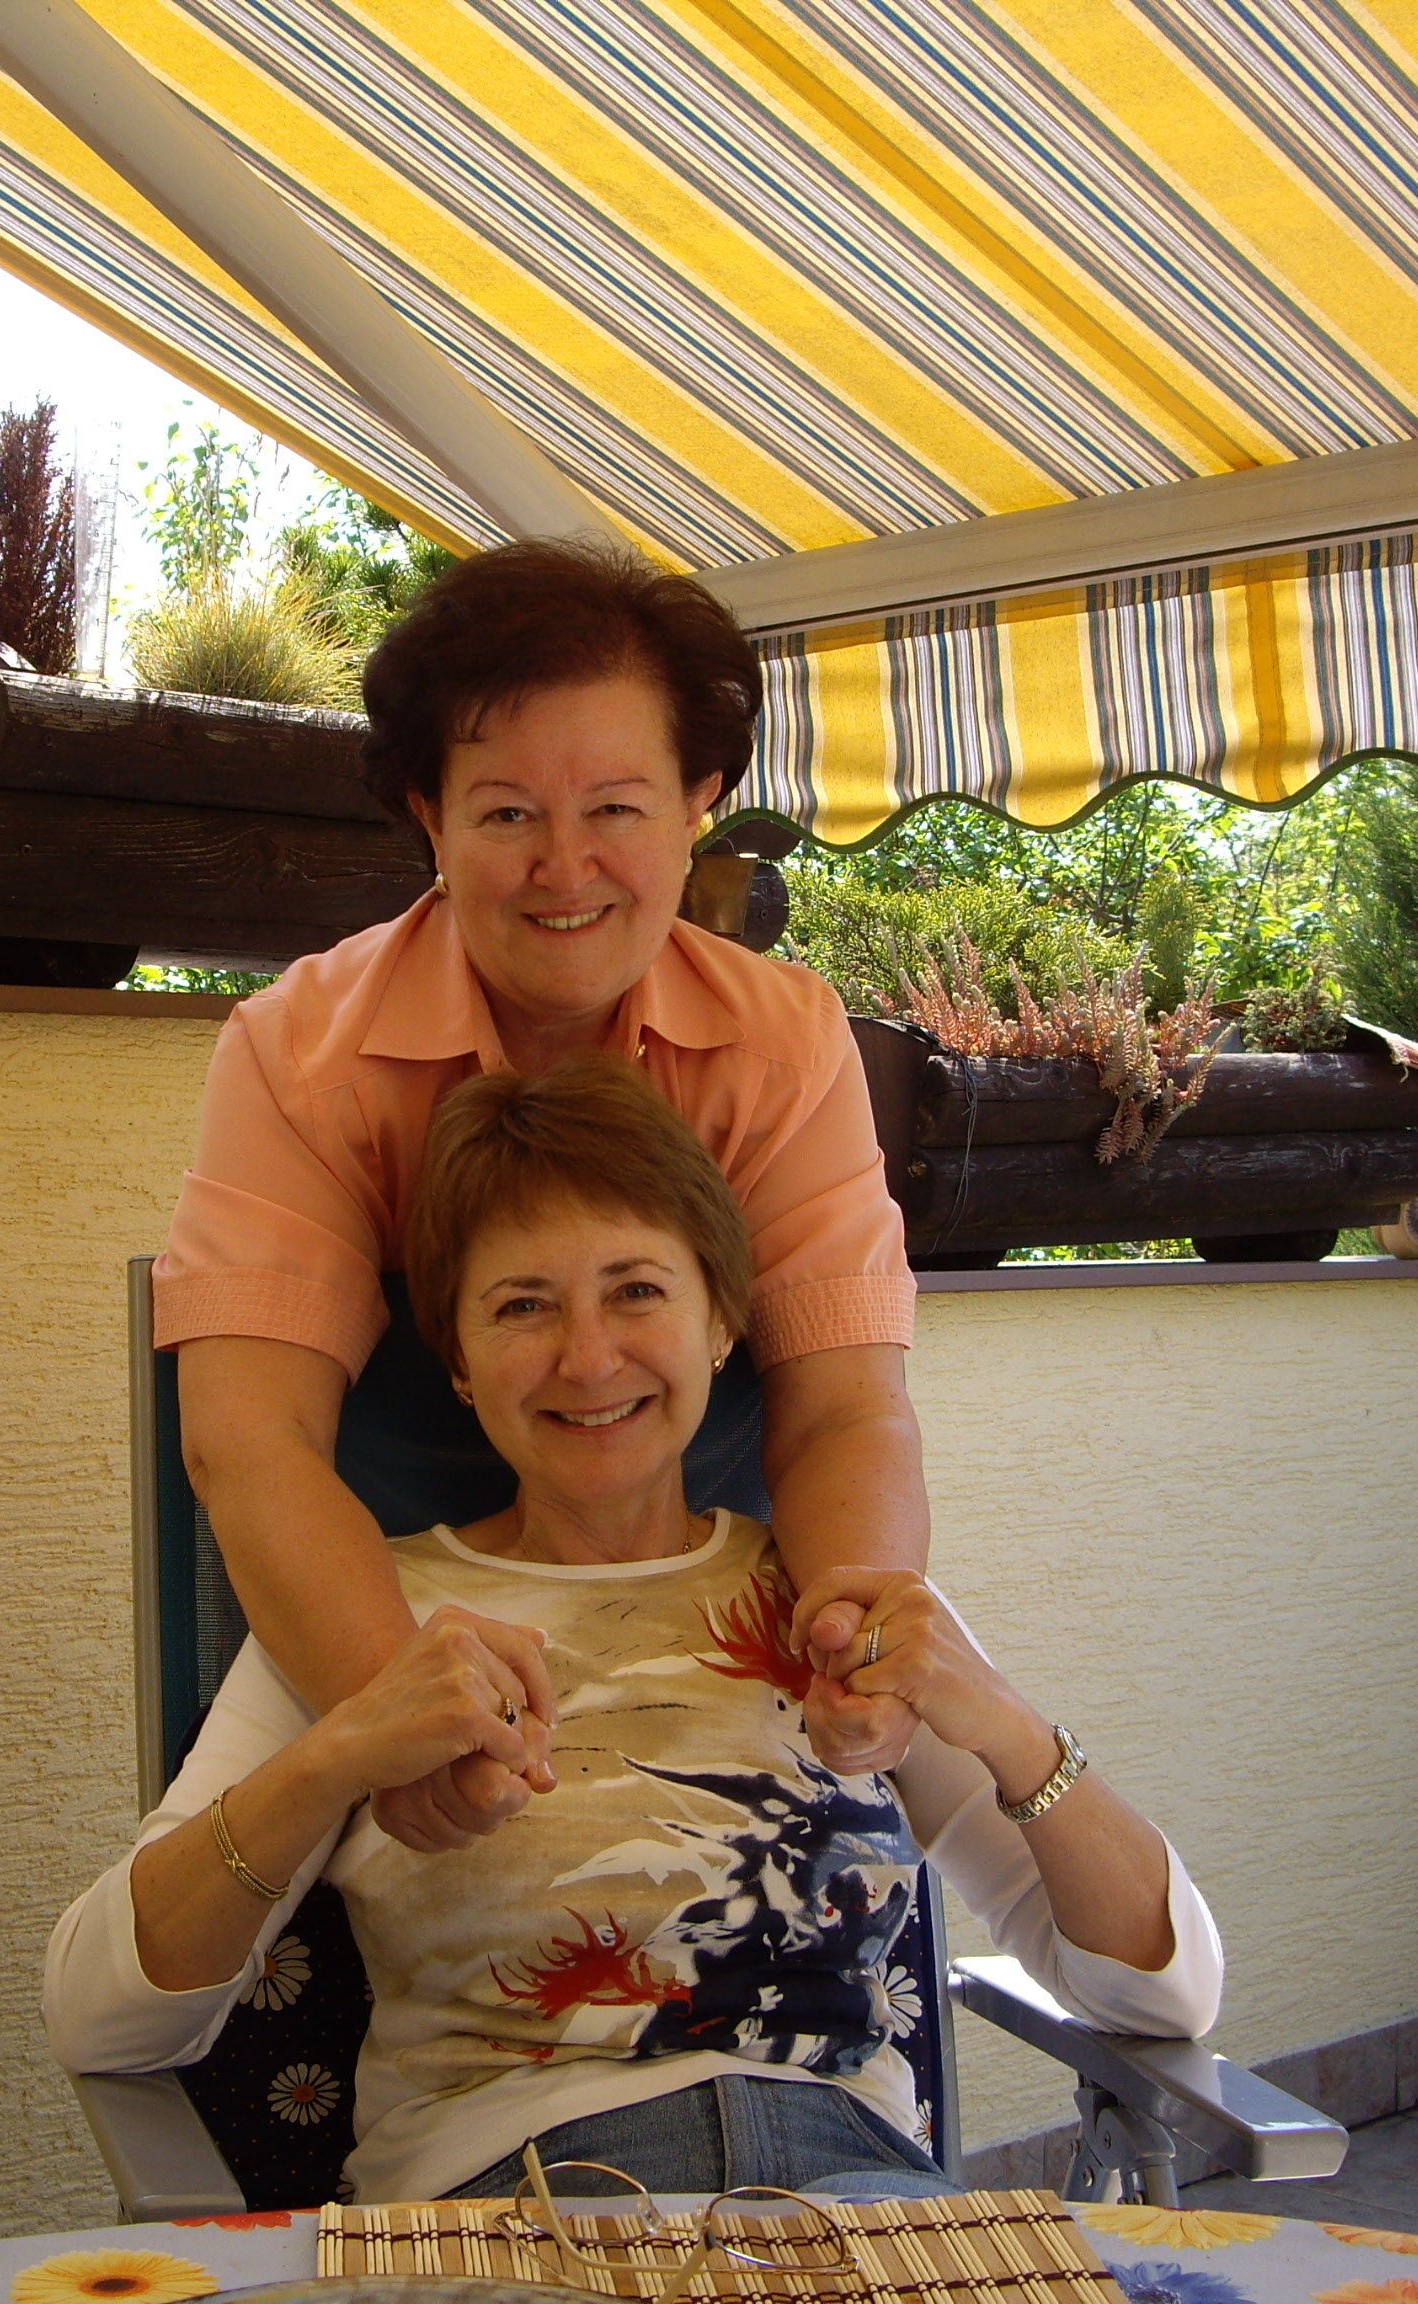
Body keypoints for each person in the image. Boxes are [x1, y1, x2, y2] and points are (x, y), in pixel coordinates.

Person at [51, 1057, 1223, 2205]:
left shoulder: (842, 1608)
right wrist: (337, 1755)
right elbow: (102, 2019)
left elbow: (1168, 1999)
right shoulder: (364, 1621)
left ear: (722, 1322)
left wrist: (1010, 1731)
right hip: (522, 2209)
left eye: (638, 1291)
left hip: (859, 2200)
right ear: (458, 1362)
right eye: (522, 1306)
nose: (590, 1357)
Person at [157, 539, 931, 1853]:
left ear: (698, 804)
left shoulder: (785, 1044)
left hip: (711, 1603)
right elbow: (252, 1440)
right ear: (431, 817)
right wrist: (399, 1714)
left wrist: (856, 1636)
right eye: (508, 814)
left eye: (616, 809)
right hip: (389, 1608)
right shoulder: (298, 1055)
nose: (565, 869)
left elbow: (847, 1408)